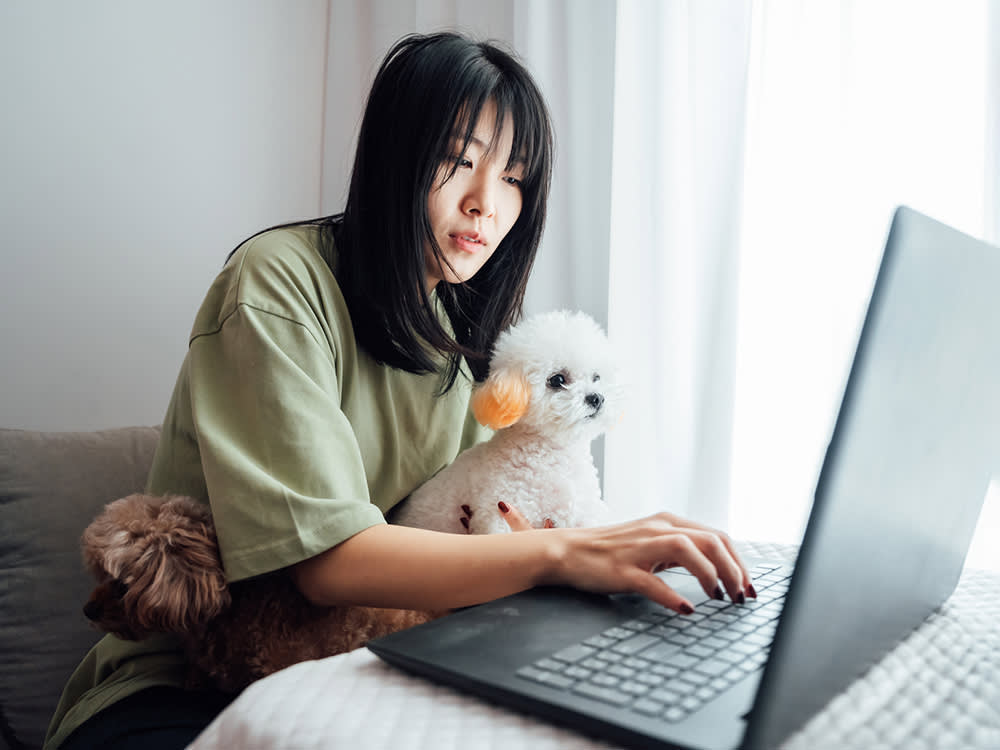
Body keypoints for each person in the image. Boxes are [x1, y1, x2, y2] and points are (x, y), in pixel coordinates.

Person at [45, 31, 754, 750]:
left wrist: (566, 553)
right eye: (458, 163)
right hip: (182, 685)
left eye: (514, 177)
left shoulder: (465, 328)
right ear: (396, 159)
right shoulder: (278, 283)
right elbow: (330, 565)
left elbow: (475, 525)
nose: (487, 204)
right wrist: (569, 552)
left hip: (359, 669)